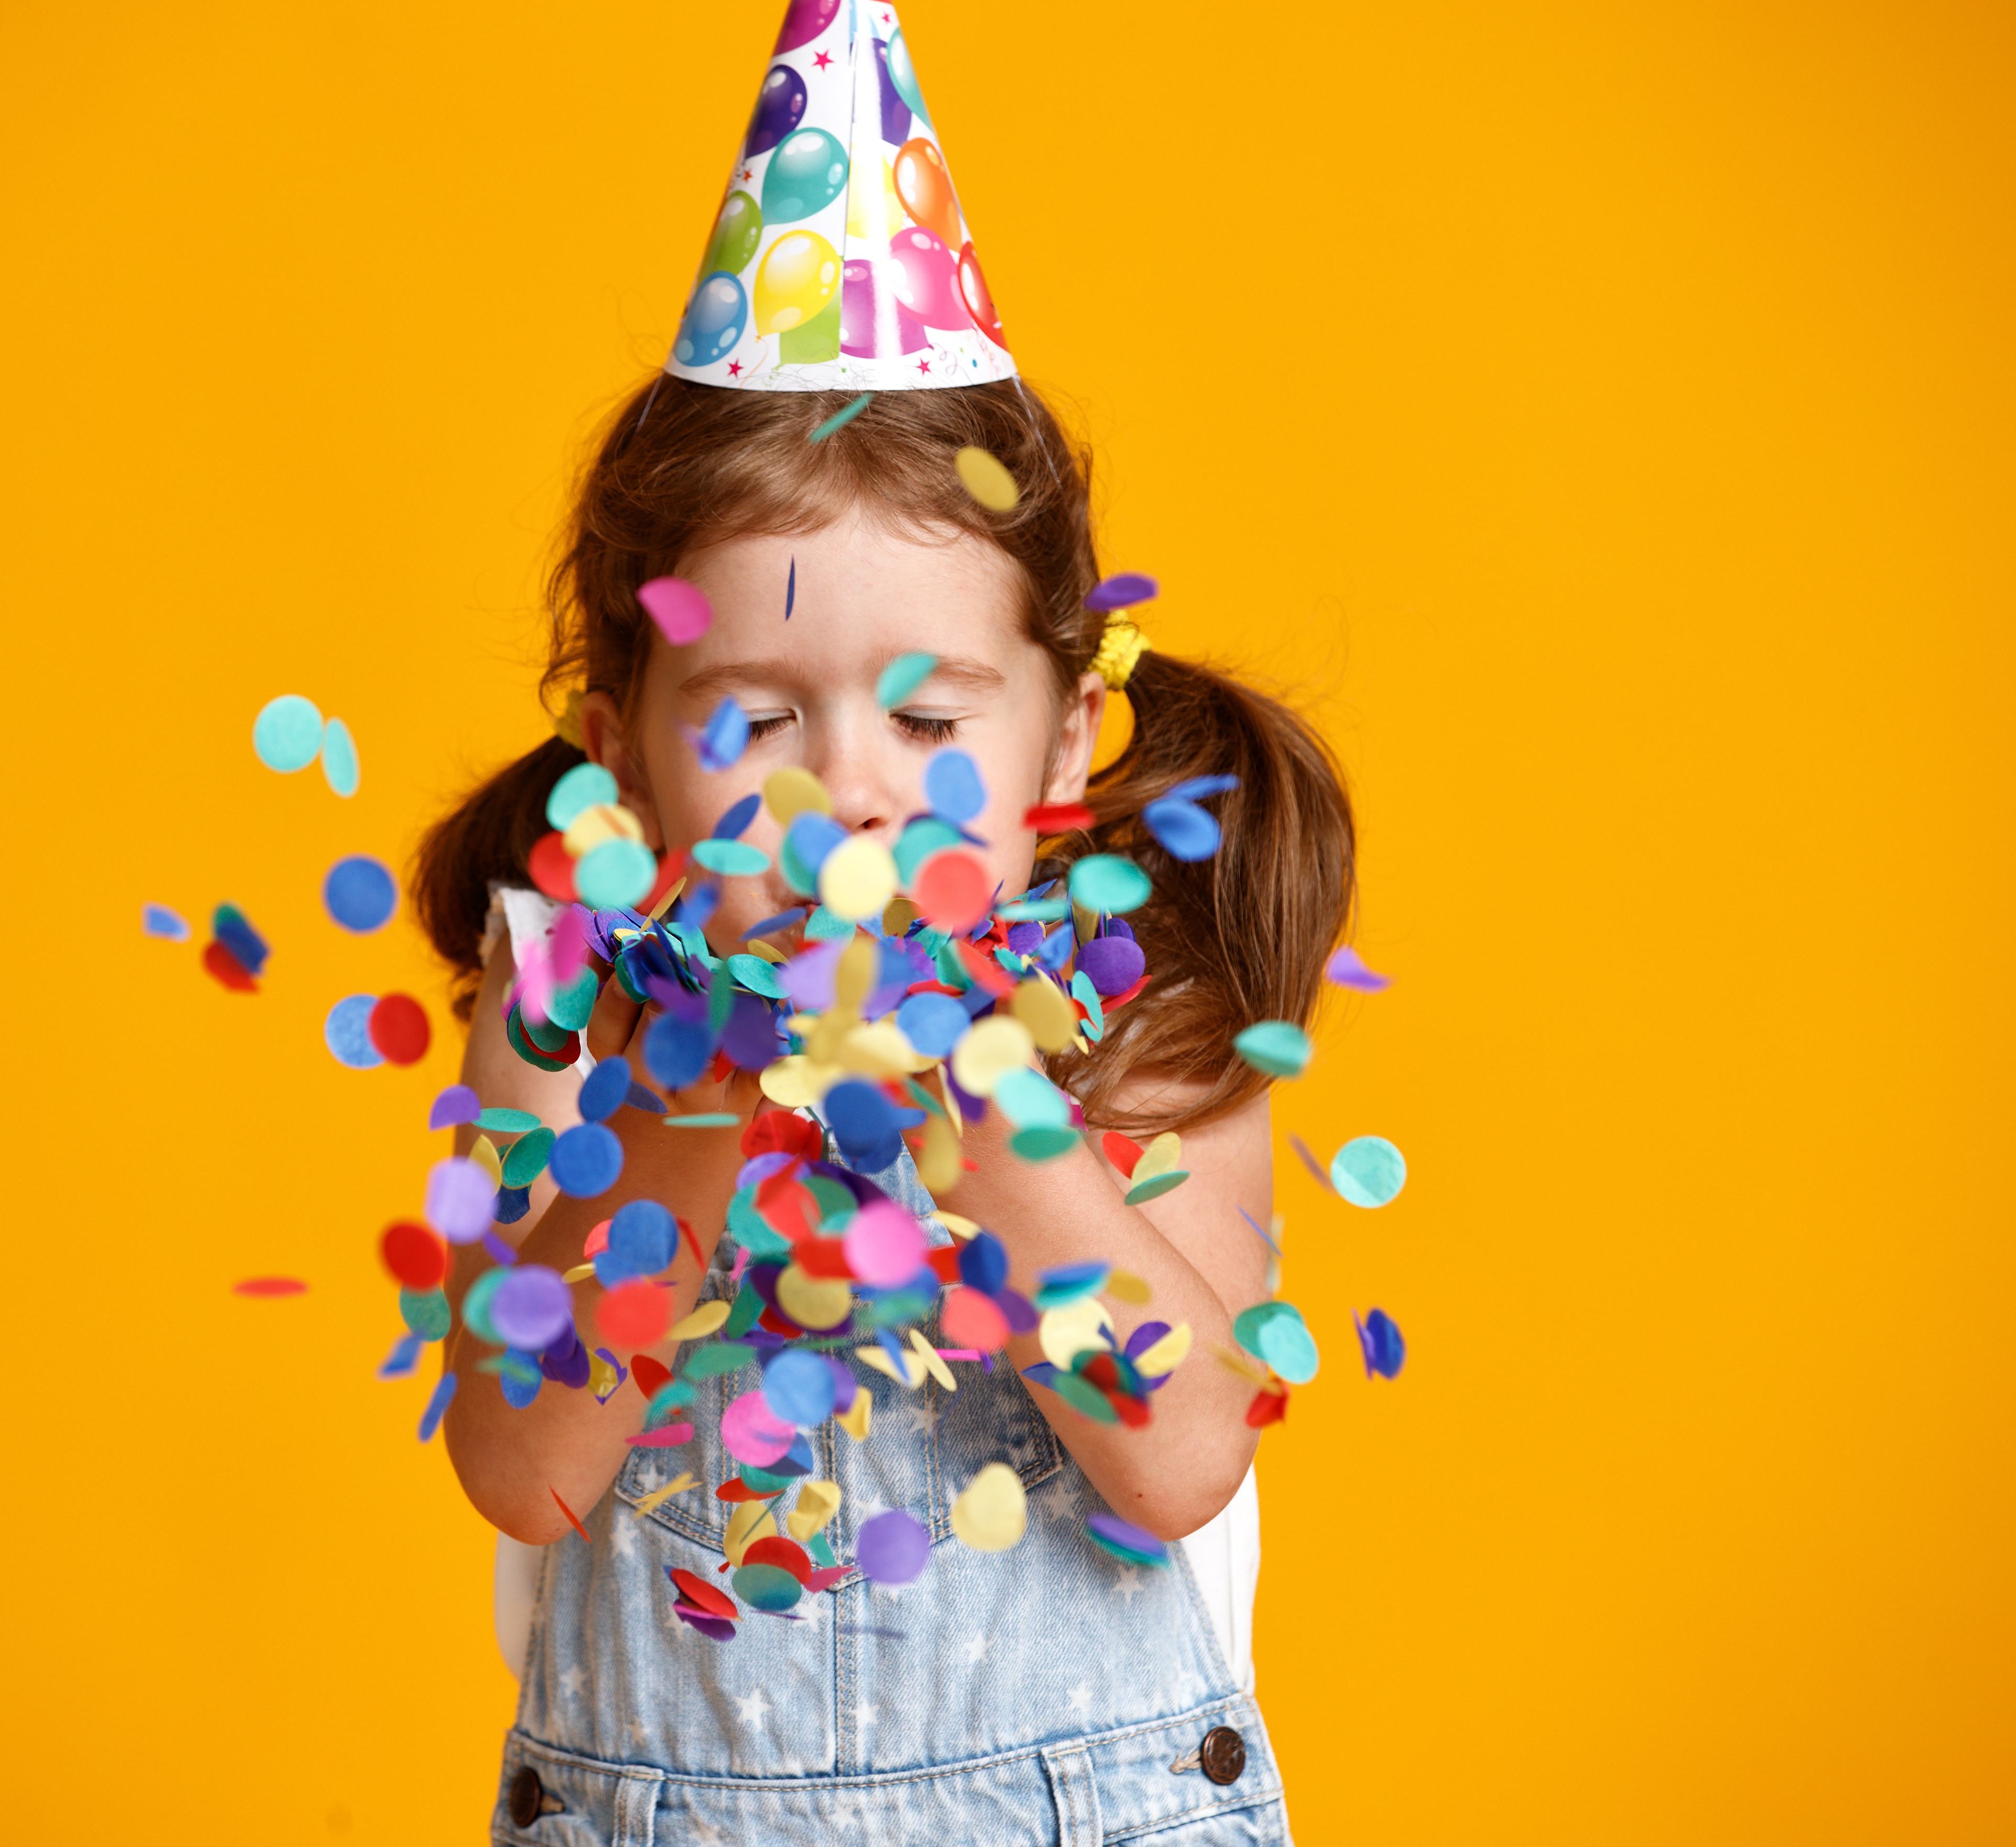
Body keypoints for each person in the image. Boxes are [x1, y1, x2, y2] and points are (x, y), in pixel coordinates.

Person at [409, 7, 1350, 1841]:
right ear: (623, 758)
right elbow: (519, 1467)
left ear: (1061, 737)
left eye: (929, 721)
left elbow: (1177, 1459)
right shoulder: (562, 1003)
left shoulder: (1151, 1002)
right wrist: (699, 1100)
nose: (847, 789)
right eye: (754, 717)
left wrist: (985, 1107)